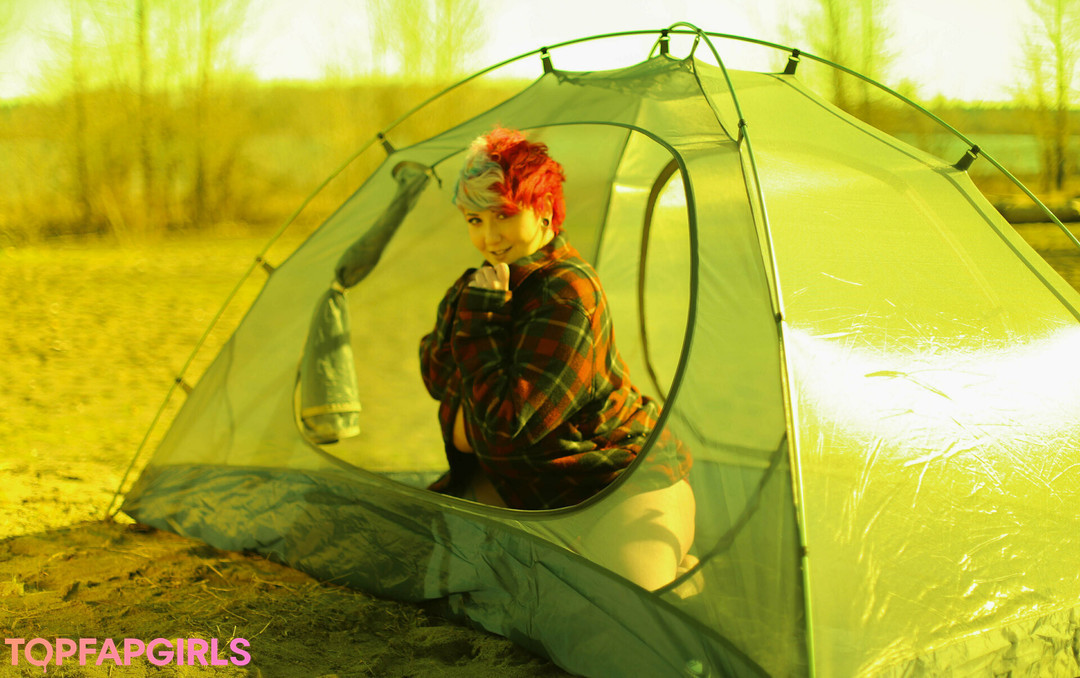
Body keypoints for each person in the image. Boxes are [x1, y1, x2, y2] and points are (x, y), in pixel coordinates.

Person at [419, 127, 695, 590]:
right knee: (448, 574)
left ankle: (677, 570)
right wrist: (472, 319)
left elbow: (507, 428)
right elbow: (435, 373)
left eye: (504, 215)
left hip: (610, 480)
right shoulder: (485, 283)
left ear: (544, 209)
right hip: (531, 485)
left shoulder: (566, 291)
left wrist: (479, 326)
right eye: (474, 220)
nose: (490, 237)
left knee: (625, 604)